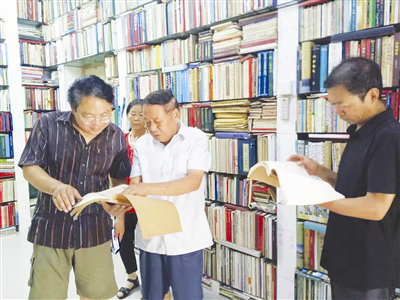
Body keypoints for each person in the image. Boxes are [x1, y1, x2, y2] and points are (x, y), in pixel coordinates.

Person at [289, 57, 400, 299]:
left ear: (372, 95)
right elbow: (353, 187)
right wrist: (318, 170)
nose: (338, 112)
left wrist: (316, 198)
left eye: (343, 104)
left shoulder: (389, 136)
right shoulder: (361, 130)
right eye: (333, 104)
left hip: (368, 266)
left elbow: (376, 207)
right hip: (346, 256)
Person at [19, 75, 131, 300]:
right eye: (88, 115)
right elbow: (29, 167)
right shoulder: (49, 125)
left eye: (105, 115)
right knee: (46, 295)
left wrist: (116, 204)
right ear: (73, 109)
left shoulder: (116, 135)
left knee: (96, 294)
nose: (97, 123)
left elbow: (119, 178)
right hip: (51, 227)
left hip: (95, 229)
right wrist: (56, 187)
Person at [119, 89, 213, 300]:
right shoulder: (142, 143)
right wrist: (122, 200)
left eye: (157, 121)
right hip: (151, 236)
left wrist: (148, 188)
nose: (151, 128)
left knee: (187, 296)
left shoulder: (195, 139)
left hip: (185, 237)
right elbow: (136, 182)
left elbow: (193, 182)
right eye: (147, 121)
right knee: (151, 295)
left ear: (175, 114)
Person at [115, 99, 146, 299]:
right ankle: (132, 277)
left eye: (142, 114)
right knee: (124, 240)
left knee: (148, 244)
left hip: (145, 202)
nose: (137, 118)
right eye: (133, 113)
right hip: (123, 202)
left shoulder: (153, 141)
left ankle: (152, 279)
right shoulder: (120, 140)